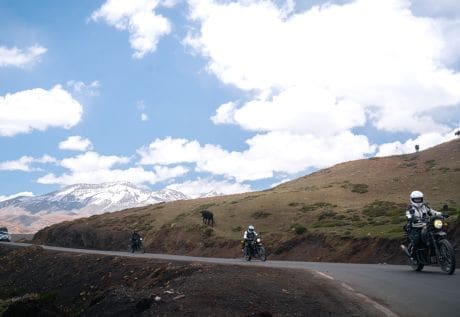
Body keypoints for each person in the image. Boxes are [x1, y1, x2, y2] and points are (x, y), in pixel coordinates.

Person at [405, 191, 441, 257]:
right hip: (415, 226)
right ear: (412, 199)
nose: (418, 201)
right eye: (416, 199)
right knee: (417, 238)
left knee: (435, 230)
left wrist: (440, 213)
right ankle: (412, 253)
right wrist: (412, 218)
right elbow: (408, 215)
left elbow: (432, 211)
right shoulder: (410, 208)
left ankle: (440, 247)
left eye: (419, 199)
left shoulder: (424, 206)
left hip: (425, 225)